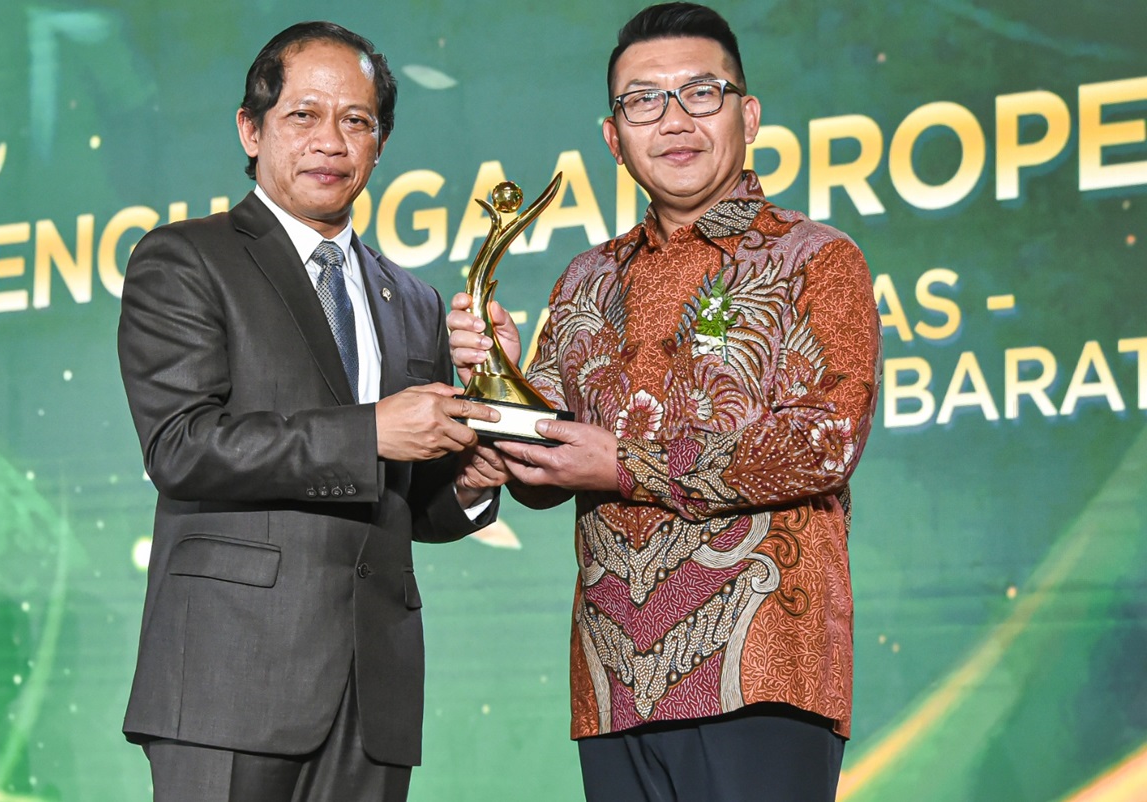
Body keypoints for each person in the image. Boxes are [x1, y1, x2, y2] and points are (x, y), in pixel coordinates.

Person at [449, 3, 881, 800]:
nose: (674, 119)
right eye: (644, 100)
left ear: (748, 116)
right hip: (612, 682)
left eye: (700, 93)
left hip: (762, 671)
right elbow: (541, 467)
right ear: (614, 138)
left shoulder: (815, 259)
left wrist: (624, 463)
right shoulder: (585, 281)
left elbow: (823, 444)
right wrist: (498, 381)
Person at [117, 21, 507, 802]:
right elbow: (182, 446)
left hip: (373, 695)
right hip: (228, 679)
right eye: (304, 114)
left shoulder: (416, 301)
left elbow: (406, 500)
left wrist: (469, 481)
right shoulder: (186, 258)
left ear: (380, 144)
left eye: (357, 120)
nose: (331, 140)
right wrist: (372, 431)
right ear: (251, 129)